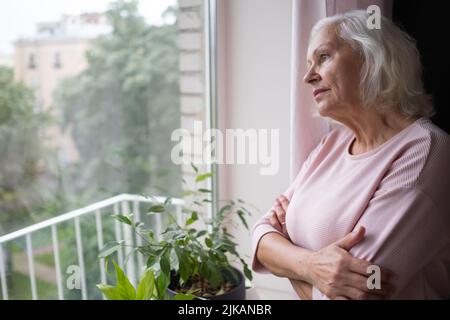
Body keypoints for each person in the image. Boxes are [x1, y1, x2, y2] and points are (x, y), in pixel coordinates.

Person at [251, 10, 450, 300]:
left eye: (323, 57)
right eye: (309, 63)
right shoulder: (330, 145)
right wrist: (310, 267)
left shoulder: (427, 151)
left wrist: (286, 254)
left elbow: (353, 295)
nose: (308, 77)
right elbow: (260, 234)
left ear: (372, 58)